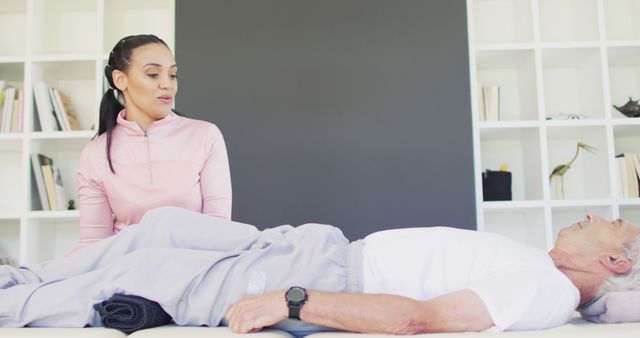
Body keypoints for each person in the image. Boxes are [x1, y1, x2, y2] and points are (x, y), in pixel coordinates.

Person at [0, 207, 638, 335]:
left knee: (142, 268)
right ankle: (20, 282)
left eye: (607, 219)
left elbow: (423, 319)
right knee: (163, 223)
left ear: (616, 259)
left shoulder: (543, 287)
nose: (589, 212)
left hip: (324, 273)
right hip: (315, 242)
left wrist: (296, 300)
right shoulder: (542, 266)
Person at [73, 35, 232, 251]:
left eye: (173, 75)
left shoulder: (205, 136)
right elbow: (93, 244)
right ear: (120, 80)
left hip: (196, 270)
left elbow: (219, 228)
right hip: (129, 273)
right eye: (153, 74)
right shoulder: (96, 153)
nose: (167, 84)